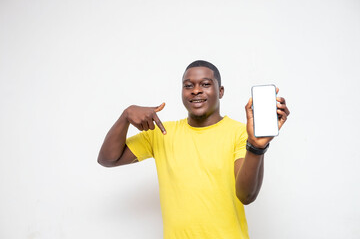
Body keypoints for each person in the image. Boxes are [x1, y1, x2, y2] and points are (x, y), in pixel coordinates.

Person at [97, 60, 290, 239]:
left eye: (205, 84)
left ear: (220, 91)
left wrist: (256, 147)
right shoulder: (161, 133)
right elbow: (108, 159)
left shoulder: (240, 133)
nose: (195, 90)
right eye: (188, 85)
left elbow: (246, 195)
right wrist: (125, 116)